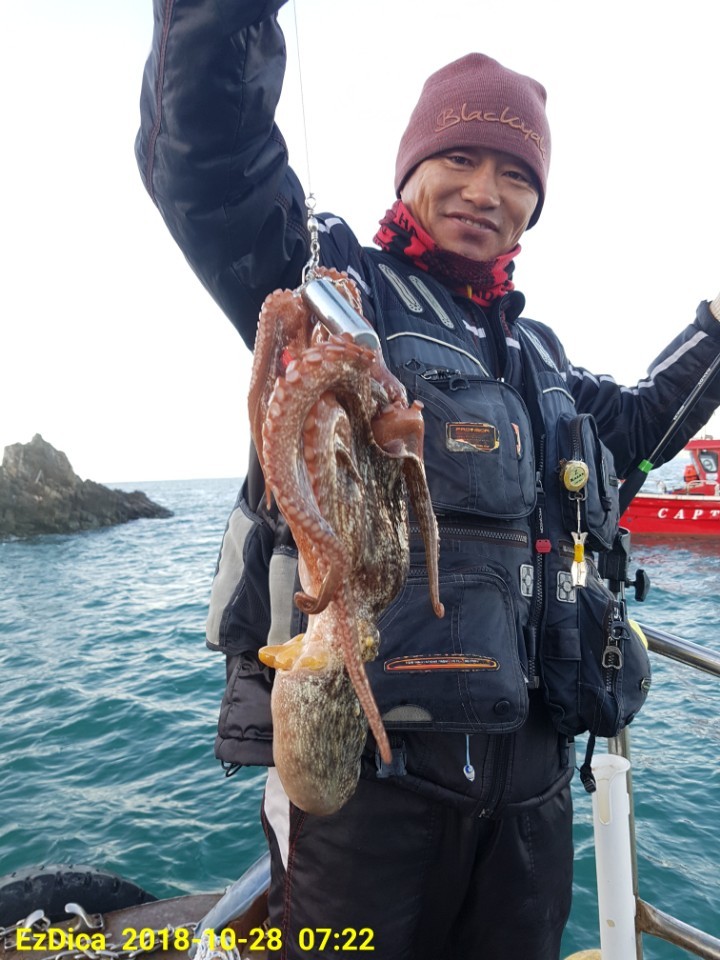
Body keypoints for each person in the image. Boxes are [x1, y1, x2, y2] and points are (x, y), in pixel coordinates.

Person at [135, 3, 720, 957]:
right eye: (460, 159)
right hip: (368, 796)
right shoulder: (333, 286)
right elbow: (205, 161)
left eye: (517, 175)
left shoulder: (542, 360)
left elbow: (642, 425)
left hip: (532, 800)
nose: (486, 192)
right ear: (409, 170)